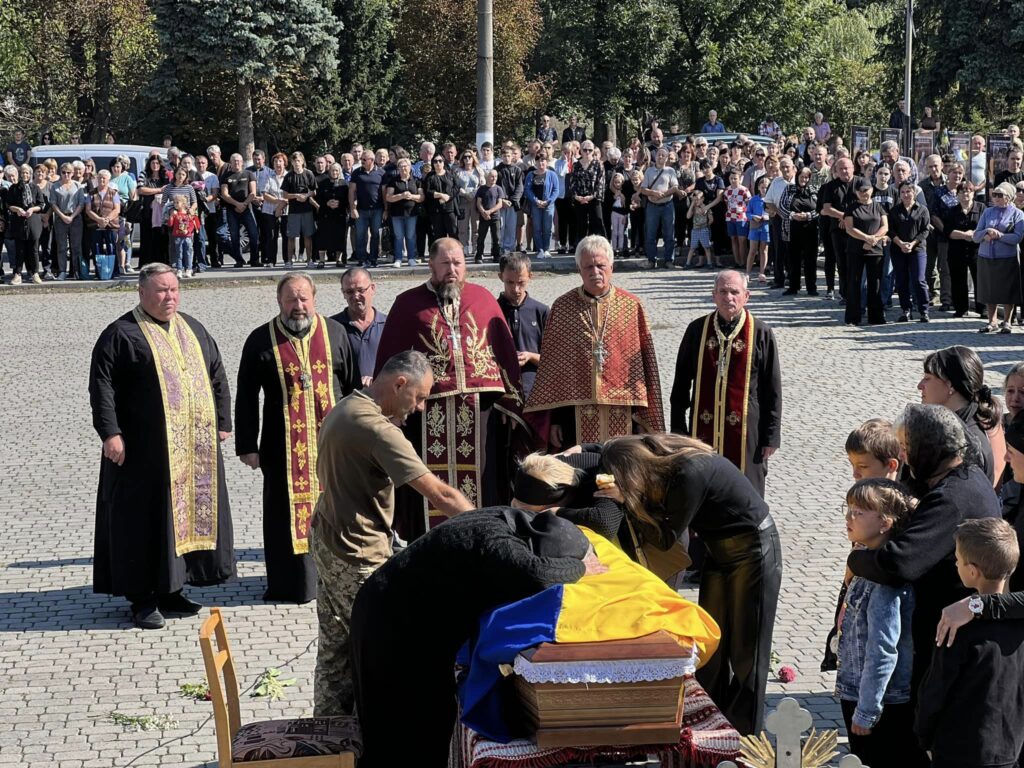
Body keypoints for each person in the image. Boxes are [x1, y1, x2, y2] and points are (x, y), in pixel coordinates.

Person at [351, 507, 597, 767]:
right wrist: (579, 567)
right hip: (392, 628)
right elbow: (535, 573)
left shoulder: (507, 518)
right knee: (405, 730)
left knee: (425, 722)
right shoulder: (500, 546)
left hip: (393, 612)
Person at [312, 350, 473, 718]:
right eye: (418, 397)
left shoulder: (348, 405)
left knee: (335, 648)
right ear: (399, 383)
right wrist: (489, 527)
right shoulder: (378, 430)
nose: (418, 408)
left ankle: (332, 733)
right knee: (380, 648)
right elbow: (440, 494)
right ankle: (375, 739)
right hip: (356, 553)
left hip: (330, 536)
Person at [598, 433, 781, 734]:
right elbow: (611, 448)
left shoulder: (688, 473)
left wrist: (625, 499)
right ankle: (711, 721)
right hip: (720, 552)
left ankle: (745, 734)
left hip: (754, 552)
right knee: (714, 642)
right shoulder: (659, 456)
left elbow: (666, 539)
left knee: (748, 649)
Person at [89, 264, 235, 629]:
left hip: (192, 449)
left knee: (177, 522)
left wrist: (221, 421)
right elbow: (102, 388)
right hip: (142, 453)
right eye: (160, 291)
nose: (169, 297)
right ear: (141, 293)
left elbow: (216, 372)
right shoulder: (120, 334)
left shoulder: (193, 328)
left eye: (173, 290)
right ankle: (142, 598)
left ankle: (172, 588)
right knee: (143, 522)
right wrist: (110, 433)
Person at [373, 238, 527, 539]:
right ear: (431, 265)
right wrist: (390, 411)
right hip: (425, 413)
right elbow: (390, 362)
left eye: (458, 263)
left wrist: (511, 402)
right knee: (427, 488)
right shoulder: (407, 305)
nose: (452, 270)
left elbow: (504, 354)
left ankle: (486, 545)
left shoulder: (483, 299)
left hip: (480, 415)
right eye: (445, 264)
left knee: (484, 482)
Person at [848, 404, 1000, 695]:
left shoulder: (952, 498)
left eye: (907, 446)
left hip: (950, 637)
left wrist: (857, 558)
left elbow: (899, 564)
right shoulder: (959, 476)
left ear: (930, 448)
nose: (903, 456)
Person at [235, 273, 360, 604]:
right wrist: (247, 445)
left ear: (315, 299)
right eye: (291, 299)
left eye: (304, 298)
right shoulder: (261, 340)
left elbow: (352, 388)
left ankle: (337, 578)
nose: (298, 306)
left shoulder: (335, 334)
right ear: (279, 302)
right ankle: (291, 585)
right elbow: (247, 395)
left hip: (333, 449)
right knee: (282, 515)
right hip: (280, 449)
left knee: (336, 510)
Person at [525, 235, 664, 448]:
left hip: (623, 412)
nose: (595, 272)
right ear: (579, 269)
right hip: (573, 413)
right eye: (588, 266)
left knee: (620, 475)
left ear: (612, 267)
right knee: (580, 474)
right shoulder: (563, 308)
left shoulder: (631, 307)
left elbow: (644, 367)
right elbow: (553, 370)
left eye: (600, 265)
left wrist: (642, 418)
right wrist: (555, 420)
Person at [916, 518, 1024, 768]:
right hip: (1009, 747)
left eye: (957, 558)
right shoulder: (1019, 623)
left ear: (972, 571)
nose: (955, 562)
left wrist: (925, 737)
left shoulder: (957, 626)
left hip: (960, 751)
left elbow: (936, 689)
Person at [670, 270, 782, 497]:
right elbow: (681, 384)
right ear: (714, 295)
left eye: (734, 292)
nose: (728, 297)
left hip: (747, 433)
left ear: (746, 296)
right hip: (702, 431)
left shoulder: (761, 333)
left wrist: (771, 436)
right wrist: (678, 431)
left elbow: (772, 389)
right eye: (723, 292)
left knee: (746, 493)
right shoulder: (697, 330)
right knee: (700, 489)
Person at [835, 479, 917, 768]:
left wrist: (867, 710)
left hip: (879, 702)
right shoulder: (865, 563)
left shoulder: (884, 584)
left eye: (858, 512)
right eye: (848, 509)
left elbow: (882, 649)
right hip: (856, 691)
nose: (848, 518)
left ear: (884, 522)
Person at [918, 346, 1000, 485]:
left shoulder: (964, 443)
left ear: (951, 386)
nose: (920, 385)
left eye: (927, 378)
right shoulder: (955, 426)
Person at [974, 181, 1024, 333]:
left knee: (1008, 291)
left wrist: (999, 236)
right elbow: (976, 236)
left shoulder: (1018, 214)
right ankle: (992, 321)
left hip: (1007, 258)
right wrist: (986, 232)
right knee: (989, 291)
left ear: (1008, 197)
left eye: (1000, 195)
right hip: (986, 256)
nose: (996, 197)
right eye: (994, 194)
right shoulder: (988, 212)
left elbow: (1017, 237)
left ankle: (1007, 321)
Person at [496, 254, 548, 399]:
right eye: (510, 282)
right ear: (500, 277)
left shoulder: (542, 312)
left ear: (530, 276)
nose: (516, 289)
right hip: (502, 395)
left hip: (536, 393)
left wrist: (530, 356)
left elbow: (555, 359)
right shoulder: (492, 311)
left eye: (521, 282)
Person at [843, 177, 889, 325]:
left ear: (872, 190)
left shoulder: (878, 207)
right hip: (855, 249)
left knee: (874, 283)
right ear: (856, 192)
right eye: (861, 191)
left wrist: (873, 239)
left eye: (867, 190)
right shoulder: (851, 207)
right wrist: (866, 238)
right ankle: (853, 317)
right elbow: (849, 228)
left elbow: (885, 226)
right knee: (854, 282)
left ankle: (876, 316)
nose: (864, 193)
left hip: (875, 250)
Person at [331, 267, 387, 386]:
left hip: (381, 399)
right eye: (350, 292)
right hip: (345, 400)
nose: (356, 296)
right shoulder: (332, 327)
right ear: (343, 293)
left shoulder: (389, 325)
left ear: (372, 288)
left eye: (361, 290)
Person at [889, 180, 931, 323]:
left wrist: (912, 244)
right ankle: (906, 310)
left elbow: (925, 230)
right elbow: (891, 230)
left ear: (914, 193)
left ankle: (923, 310)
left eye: (909, 191)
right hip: (898, 249)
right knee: (902, 280)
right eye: (903, 192)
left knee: (919, 280)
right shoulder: (895, 211)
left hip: (917, 249)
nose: (906, 194)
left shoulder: (922, 209)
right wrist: (900, 243)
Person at [3, 164, 46, 284]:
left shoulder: (35, 188)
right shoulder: (14, 188)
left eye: (27, 173)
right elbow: (8, 205)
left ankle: (35, 273)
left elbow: (41, 205)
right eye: (22, 173)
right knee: (19, 249)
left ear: (30, 174)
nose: (25, 175)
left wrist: (32, 209)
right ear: (19, 174)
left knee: (34, 249)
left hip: (33, 221)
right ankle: (17, 274)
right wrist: (17, 209)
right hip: (19, 222)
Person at [780, 166, 819, 295]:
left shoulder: (814, 190)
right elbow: (781, 205)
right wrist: (792, 215)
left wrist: (808, 216)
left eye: (806, 177)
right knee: (793, 259)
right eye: (801, 177)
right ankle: (793, 286)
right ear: (797, 177)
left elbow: (819, 208)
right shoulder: (789, 188)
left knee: (810, 260)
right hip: (792, 228)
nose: (804, 179)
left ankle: (811, 287)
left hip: (810, 229)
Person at [640, 147, 679, 267]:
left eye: (663, 155)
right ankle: (652, 260)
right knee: (650, 234)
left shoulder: (670, 171)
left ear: (667, 158)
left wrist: (662, 195)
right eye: (658, 155)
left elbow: (675, 187)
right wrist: (653, 193)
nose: (660, 157)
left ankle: (669, 260)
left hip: (667, 205)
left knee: (669, 234)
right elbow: (643, 189)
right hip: (652, 207)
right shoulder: (648, 171)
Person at [219, 153, 258, 268]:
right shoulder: (225, 176)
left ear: (242, 162)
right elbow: (224, 194)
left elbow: (253, 193)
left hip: (247, 209)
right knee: (234, 236)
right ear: (230, 162)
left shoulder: (249, 174)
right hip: (232, 210)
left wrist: (244, 204)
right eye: (234, 161)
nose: (236, 163)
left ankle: (254, 260)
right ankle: (239, 260)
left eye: (238, 161)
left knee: (254, 234)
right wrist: (237, 204)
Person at [349, 150, 386, 267]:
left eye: (365, 160)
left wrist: (386, 209)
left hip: (377, 209)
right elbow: (352, 191)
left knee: (375, 234)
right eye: (361, 160)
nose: (362, 161)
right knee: (360, 235)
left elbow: (384, 192)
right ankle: (362, 258)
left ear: (372, 160)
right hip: (361, 209)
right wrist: (352, 208)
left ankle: (373, 258)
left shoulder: (381, 173)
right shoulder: (356, 173)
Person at [314, 162, 350, 268]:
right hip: (325, 214)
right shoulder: (323, 183)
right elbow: (318, 198)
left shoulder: (344, 184)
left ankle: (338, 260)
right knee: (323, 237)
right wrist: (326, 203)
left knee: (339, 237)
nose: (334, 172)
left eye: (337, 170)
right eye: (332, 170)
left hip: (340, 214)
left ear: (339, 172)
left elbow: (348, 199)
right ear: (329, 171)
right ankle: (321, 260)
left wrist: (340, 203)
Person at [524, 152, 558, 259]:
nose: (541, 163)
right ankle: (540, 250)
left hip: (548, 205)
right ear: (536, 162)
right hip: (536, 205)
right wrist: (536, 201)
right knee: (537, 228)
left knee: (547, 228)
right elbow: (527, 189)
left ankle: (547, 249)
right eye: (538, 160)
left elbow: (556, 190)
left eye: (543, 160)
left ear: (546, 162)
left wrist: (548, 201)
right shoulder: (531, 175)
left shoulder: (552, 174)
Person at [495, 146, 524, 256]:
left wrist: (512, 200)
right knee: (501, 227)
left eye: (509, 155)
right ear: (501, 156)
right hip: (500, 204)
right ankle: (501, 247)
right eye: (504, 156)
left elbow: (520, 187)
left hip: (513, 204)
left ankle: (510, 248)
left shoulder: (517, 170)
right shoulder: (497, 170)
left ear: (512, 156)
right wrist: (501, 200)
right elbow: (496, 187)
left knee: (511, 227)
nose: (506, 158)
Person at [474, 168, 505, 263]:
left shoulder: (499, 189)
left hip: (495, 217)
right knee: (481, 237)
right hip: (483, 217)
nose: (494, 178)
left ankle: (496, 255)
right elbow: (478, 202)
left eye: (495, 176)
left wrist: (490, 211)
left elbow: (500, 204)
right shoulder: (482, 189)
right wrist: (483, 212)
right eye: (492, 176)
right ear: (487, 177)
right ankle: (479, 255)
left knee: (496, 238)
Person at [746, 176, 770, 281]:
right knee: (752, 250)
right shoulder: (754, 199)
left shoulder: (770, 200)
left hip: (765, 227)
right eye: (762, 187)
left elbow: (774, 213)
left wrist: (767, 217)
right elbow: (747, 212)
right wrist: (753, 217)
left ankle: (762, 272)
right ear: (759, 188)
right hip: (754, 226)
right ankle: (747, 273)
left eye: (766, 187)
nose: (764, 189)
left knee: (764, 250)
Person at [167, 195, 198, 278]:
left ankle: (189, 269)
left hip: (187, 236)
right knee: (179, 254)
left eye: (178, 202)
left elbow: (192, 225)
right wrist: (171, 216)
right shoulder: (175, 214)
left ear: (184, 204)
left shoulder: (189, 214)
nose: (176, 204)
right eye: (174, 203)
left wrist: (188, 231)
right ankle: (179, 269)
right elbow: (170, 224)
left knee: (188, 253)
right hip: (177, 236)